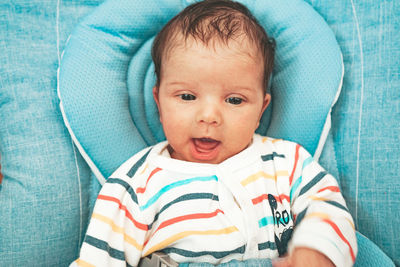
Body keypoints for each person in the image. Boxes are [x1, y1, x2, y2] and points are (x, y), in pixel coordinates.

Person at [71, 1, 357, 266]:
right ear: (159, 103)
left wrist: (316, 252)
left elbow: (327, 206)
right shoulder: (134, 185)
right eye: (186, 97)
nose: (209, 116)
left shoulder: (287, 162)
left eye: (234, 100)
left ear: (261, 109)